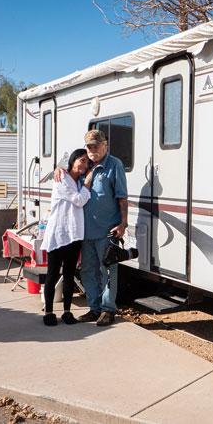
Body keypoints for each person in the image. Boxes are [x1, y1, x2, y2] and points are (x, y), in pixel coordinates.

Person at [54, 129, 128, 326]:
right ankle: (94, 308)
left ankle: (108, 310)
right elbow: (68, 168)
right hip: (84, 231)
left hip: (106, 230)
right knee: (87, 271)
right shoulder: (84, 165)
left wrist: (123, 223)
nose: (92, 149)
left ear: (105, 145)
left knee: (108, 271)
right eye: (89, 146)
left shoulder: (114, 165)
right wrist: (58, 167)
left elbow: (122, 197)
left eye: (96, 145)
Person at [40, 149, 93, 326]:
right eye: (81, 160)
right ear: (72, 161)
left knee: (69, 275)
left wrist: (84, 184)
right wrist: (87, 185)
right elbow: (78, 200)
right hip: (58, 234)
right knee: (53, 274)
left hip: (75, 234)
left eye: (86, 162)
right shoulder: (62, 178)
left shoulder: (77, 182)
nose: (84, 164)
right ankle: (48, 312)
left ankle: (67, 312)